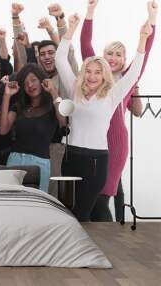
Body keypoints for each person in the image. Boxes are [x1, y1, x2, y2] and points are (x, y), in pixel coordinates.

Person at [55, 13, 151, 222]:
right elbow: (60, 59)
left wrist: (143, 39)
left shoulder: (113, 95)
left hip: (96, 161)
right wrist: (70, 29)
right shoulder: (74, 89)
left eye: (97, 72)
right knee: (68, 214)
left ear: (104, 75)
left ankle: (97, 252)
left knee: (85, 214)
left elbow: (135, 71)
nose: (91, 76)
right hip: (70, 157)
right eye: (88, 71)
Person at [80, 0, 157, 221]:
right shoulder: (93, 77)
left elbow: (146, 51)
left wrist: (152, 19)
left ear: (124, 60)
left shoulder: (127, 81)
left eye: (118, 55)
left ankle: (108, 248)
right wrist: (90, 12)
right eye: (109, 54)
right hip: (92, 143)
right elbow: (86, 45)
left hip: (115, 143)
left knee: (102, 199)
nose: (113, 58)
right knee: (90, 201)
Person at [0, 64, 65, 192]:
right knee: (11, 204)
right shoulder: (19, 106)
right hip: (14, 160)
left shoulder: (53, 106)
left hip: (40, 164)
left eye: (33, 80)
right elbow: (2, 130)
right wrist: (7, 96)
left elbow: (64, 124)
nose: (30, 85)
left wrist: (53, 92)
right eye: (25, 82)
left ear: (42, 81)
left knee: (35, 207)